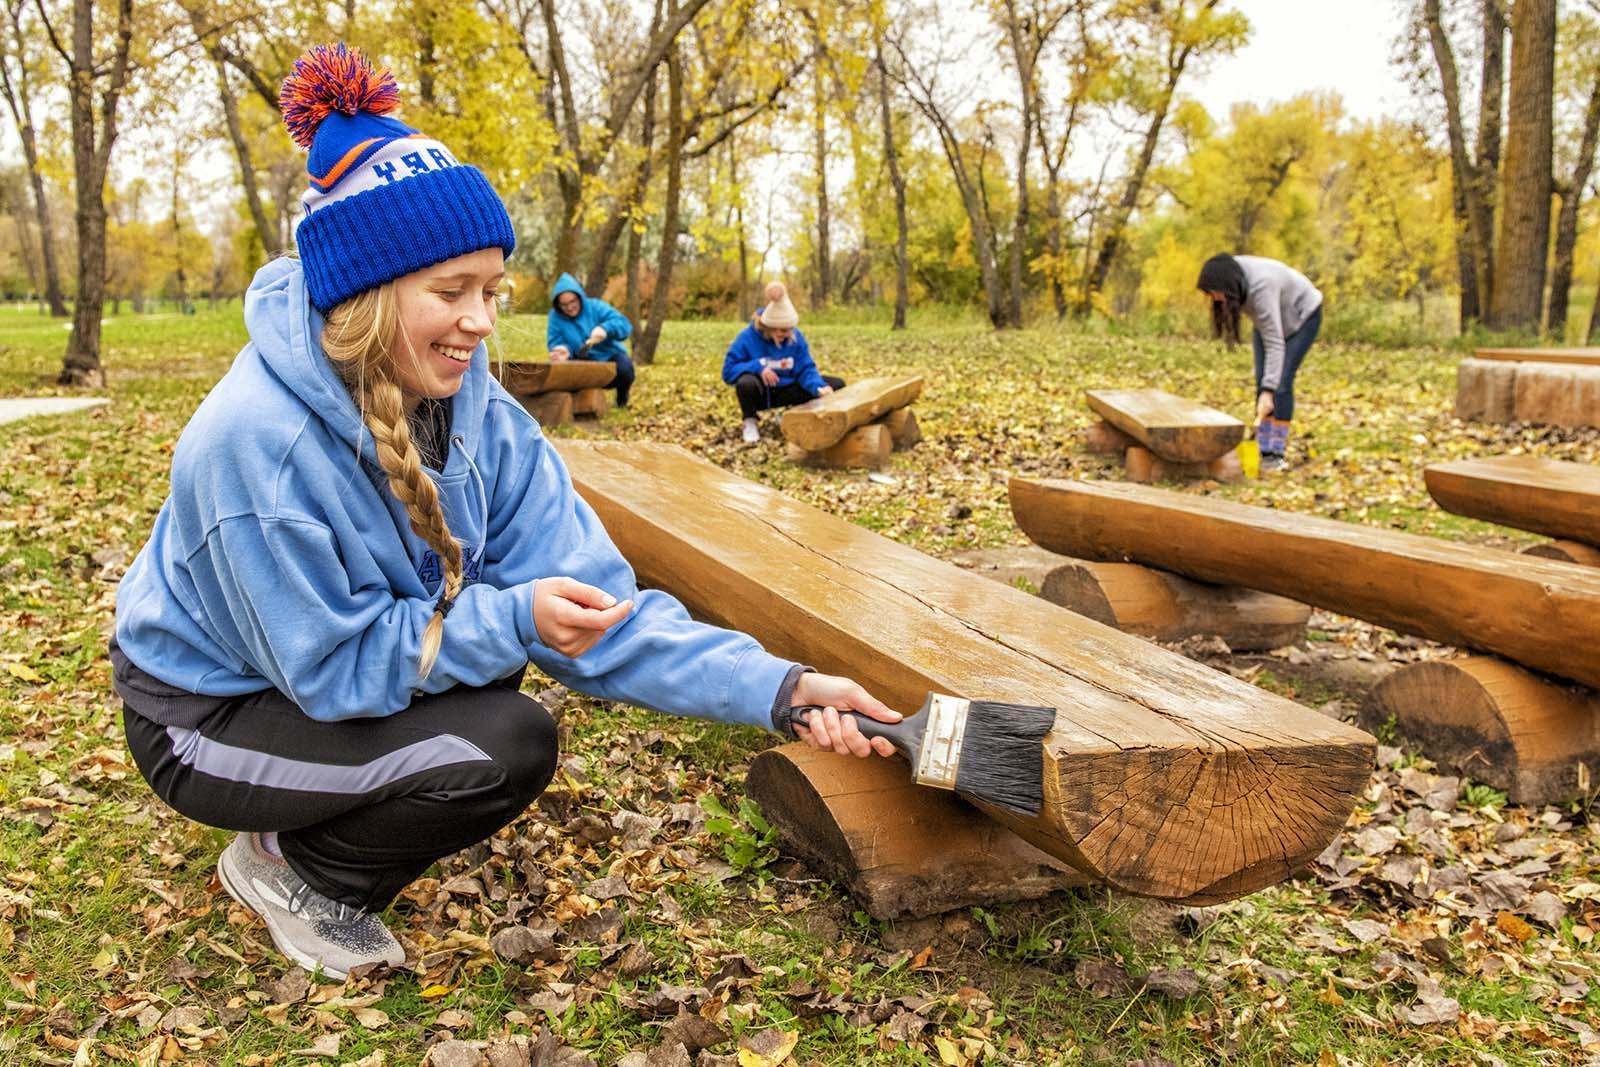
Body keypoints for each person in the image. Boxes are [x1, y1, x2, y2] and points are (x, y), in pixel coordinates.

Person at [110, 45, 898, 981]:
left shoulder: (475, 407)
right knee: (498, 744)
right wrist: (511, 616)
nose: (483, 322)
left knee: (490, 706)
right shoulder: (252, 445)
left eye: (492, 290)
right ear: (362, 294)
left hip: (321, 668)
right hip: (208, 713)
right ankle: (291, 870)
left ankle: (319, 822)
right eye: (451, 292)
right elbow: (334, 671)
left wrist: (781, 688)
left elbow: (605, 609)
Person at [1196, 253, 1323, 472]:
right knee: (1263, 381)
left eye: (1217, 293)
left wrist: (1268, 389)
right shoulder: (1231, 273)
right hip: (1273, 319)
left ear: (1229, 286)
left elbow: (1275, 343)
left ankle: (1275, 454)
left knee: (1280, 384)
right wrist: (1264, 387)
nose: (1216, 298)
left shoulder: (1262, 287)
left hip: (1303, 316)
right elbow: (1268, 329)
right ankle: (1263, 450)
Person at [722, 282, 843, 444]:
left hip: (787, 389)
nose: (786, 334)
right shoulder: (747, 337)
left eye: (789, 330)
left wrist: (818, 387)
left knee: (836, 384)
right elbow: (728, 371)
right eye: (781, 330)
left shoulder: (795, 337)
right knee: (745, 383)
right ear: (769, 326)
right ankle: (749, 421)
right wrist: (757, 367)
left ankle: (791, 414)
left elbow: (805, 368)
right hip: (762, 393)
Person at [546, 273, 634, 407]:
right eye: (563, 304)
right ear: (557, 304)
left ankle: (622, 399)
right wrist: (562, 350)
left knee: (625, 368)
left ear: (579, 297)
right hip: (578, 359)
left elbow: (624, 325)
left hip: (608, 357)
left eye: (572, 301)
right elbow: (555, 341)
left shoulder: (596, 307)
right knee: (561, 374)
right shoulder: (555, 317)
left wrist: (605, 329)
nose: (569, 307)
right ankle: (575, 404)